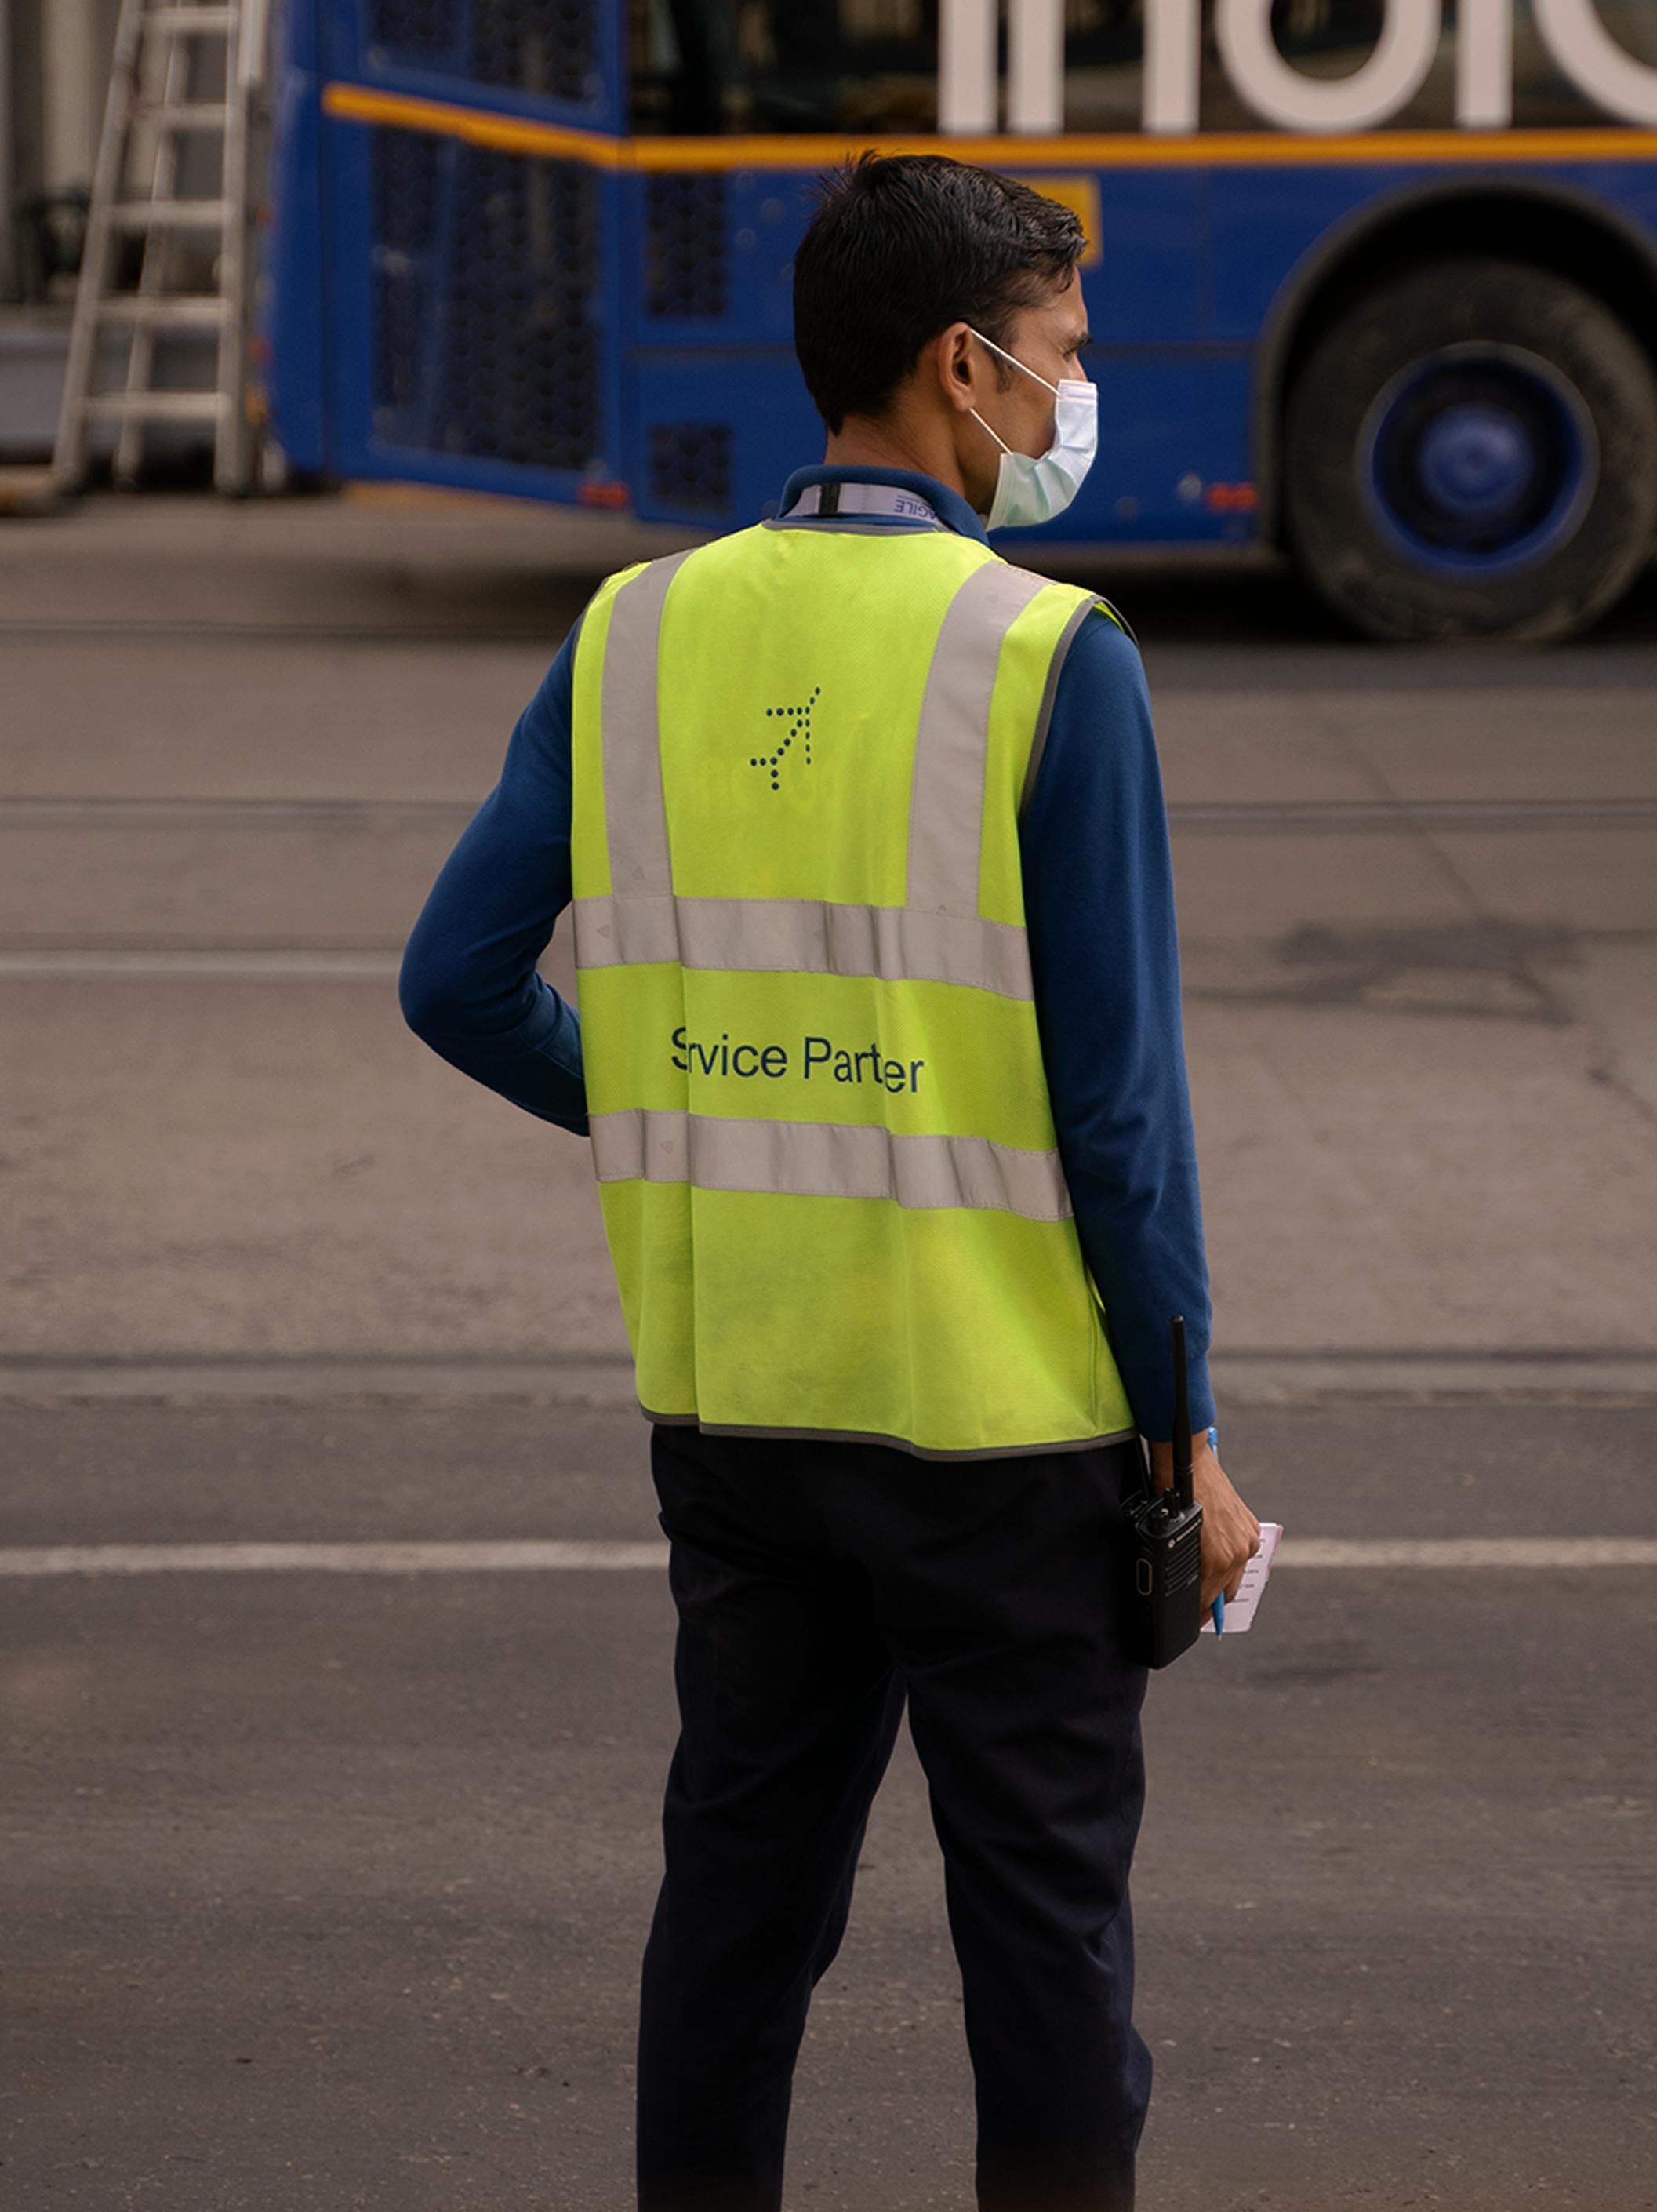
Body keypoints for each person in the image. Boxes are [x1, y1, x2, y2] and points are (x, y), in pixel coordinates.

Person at [400, 151, 1261, 2212]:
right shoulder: (1054, 659)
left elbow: (456, 982)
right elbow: (1120, 1121)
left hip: (737, 1412)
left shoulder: (632, 631)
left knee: (738, 1918)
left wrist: (679, 1109)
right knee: (1040, 1937)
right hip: (1000, 1429)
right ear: (961, 370)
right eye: (1061, 355)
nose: (1077, 394)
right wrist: (1189, 1445)